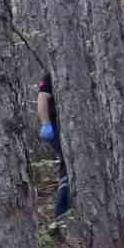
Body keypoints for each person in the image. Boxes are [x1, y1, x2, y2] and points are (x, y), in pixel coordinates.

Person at [37, 74, 71, 218]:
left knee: (67, 166)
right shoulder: (52, 75)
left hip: (72, 127)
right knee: (69, 161)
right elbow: (42, 98)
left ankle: (64, 212)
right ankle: (61, 212)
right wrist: (46, 124)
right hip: (55, 126)